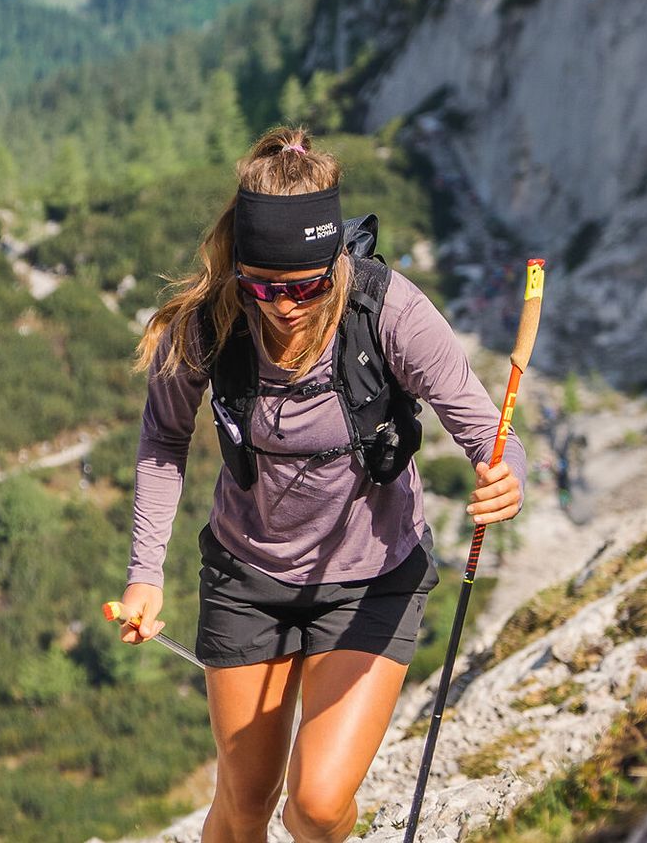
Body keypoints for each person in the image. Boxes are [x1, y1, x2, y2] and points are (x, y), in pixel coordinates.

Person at [116, 127, 526, 843]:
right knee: (244, 806)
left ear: (335, 261)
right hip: (246, 578)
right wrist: (145, 575)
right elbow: (163, 439)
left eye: (306, 285)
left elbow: (492, 432)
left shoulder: (388, 311)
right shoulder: (208, 322)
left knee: (316, 805)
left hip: (373, 580)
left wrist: (506, 479)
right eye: (265, 287)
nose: (285, 305)